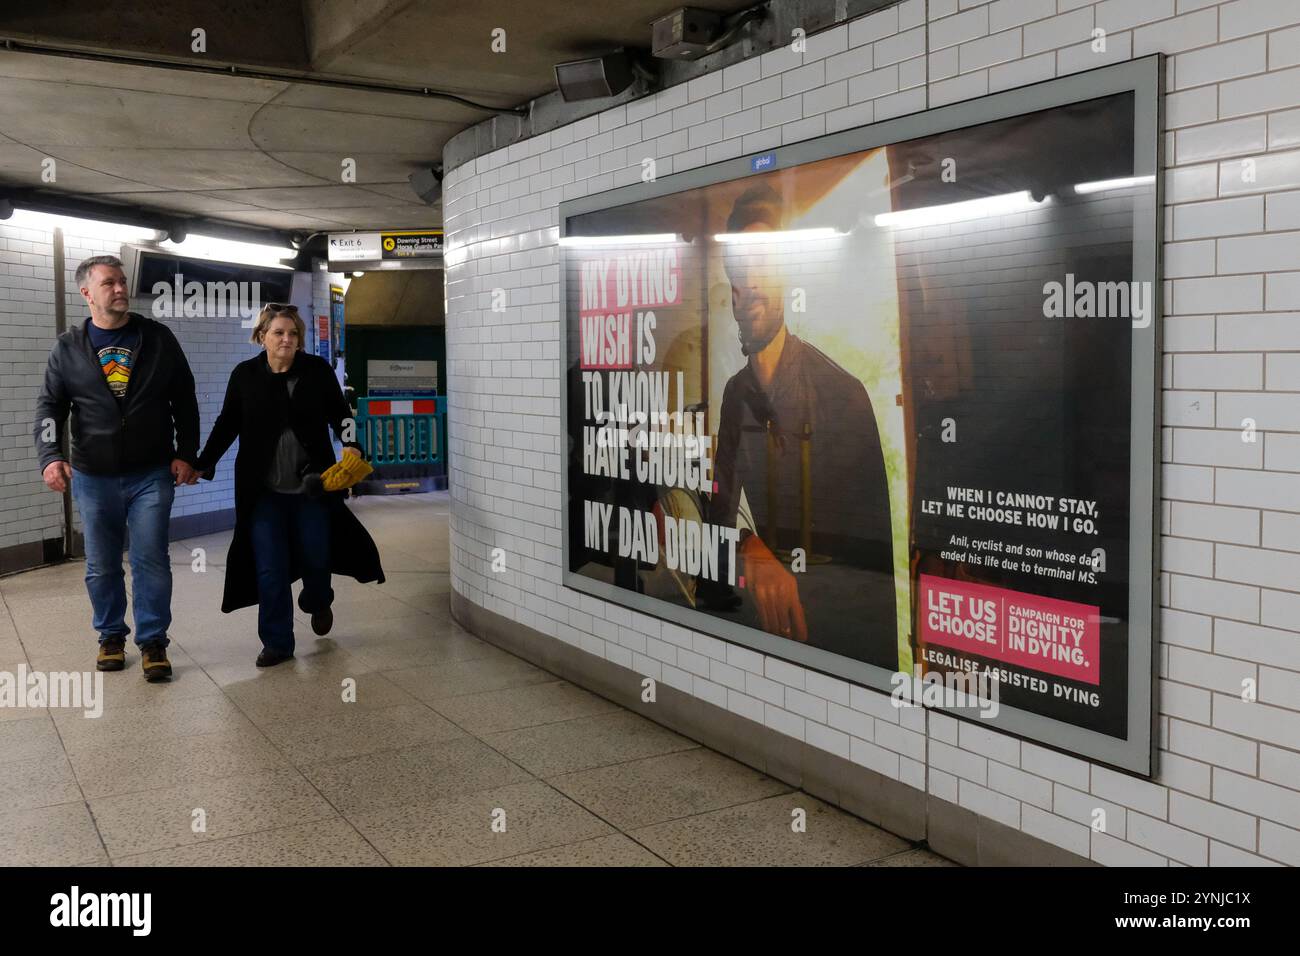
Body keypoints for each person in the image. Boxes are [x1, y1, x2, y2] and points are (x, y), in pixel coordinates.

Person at [710, 183, 897, 667]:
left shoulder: (842, 392)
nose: (750, 281)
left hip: (836, 635)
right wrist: (750, 548)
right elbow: (718, 513)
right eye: (739, 266)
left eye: (764, 263)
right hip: (757, 628)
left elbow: (871, 565)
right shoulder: (736, 395)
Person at [33, 255, 200, 681]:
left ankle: (153, 642)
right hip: (93, 475)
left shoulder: (157, 338)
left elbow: (184, 398)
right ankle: (110, 635)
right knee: (102, 564)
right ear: (87, 293)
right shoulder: (68, 347)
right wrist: (50, 456)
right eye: (110, 283)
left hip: (150, 474)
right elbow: (50, 407)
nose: (121, 289)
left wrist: (187, 452)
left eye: (123, 281)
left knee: (150, 560)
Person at [195, 303, 384, 666]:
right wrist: (203, 464)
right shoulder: (245, 375)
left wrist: (352, 445)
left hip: (312, 487)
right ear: (261, 337)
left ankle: (318, 599)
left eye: (293, 333)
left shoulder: (317, 371)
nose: (287, 339)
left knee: (316, 556)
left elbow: (341, 417)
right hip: (262, 491)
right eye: (279, 332)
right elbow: (227, 424)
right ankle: (278, 642)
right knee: (270, 566)